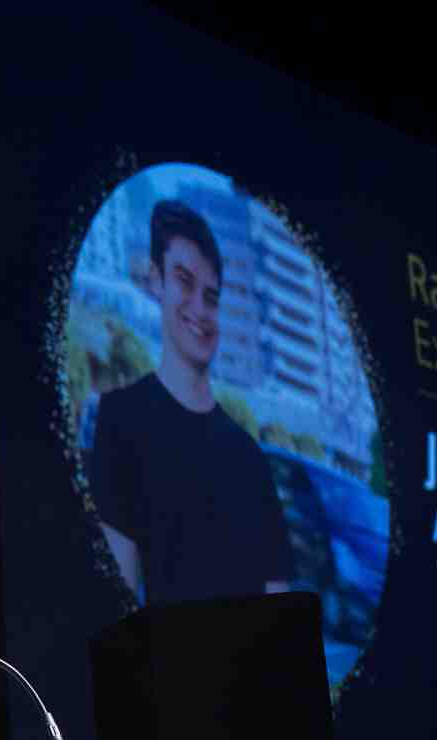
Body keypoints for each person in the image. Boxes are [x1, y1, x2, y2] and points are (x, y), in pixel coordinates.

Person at [89, 199, 294, 607]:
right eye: (184, 281)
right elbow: (119, 594)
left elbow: (279, 608)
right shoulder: (121, 419)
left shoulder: (250, 457)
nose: (200, 309)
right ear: (156, 281)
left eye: (212, 296)